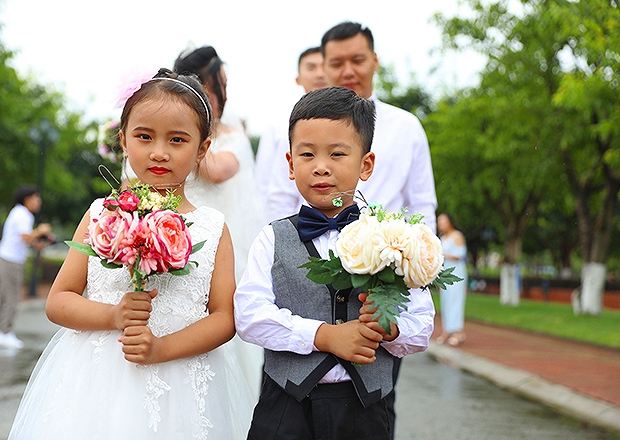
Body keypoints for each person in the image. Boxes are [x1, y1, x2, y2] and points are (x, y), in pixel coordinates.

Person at [7, 69, 254, 439]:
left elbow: (223, 317)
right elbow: (59, 301)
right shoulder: (100, 214)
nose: (159, 151)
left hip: (183, 383)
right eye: (144, 136)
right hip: (96, 382)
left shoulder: (213, 227)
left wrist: (161, 349)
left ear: (203, 148)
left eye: (177, 140)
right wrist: (114, 314)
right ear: (123, 141)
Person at [234, 86, 435, 439]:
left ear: (366, 164)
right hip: (285, 405)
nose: (321, 167)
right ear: (290, 165)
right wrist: (323, 335)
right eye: (307, 154)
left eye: (338, 154)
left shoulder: (395, 239)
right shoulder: (272, 238)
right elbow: (249, 315)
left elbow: (422, 322)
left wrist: (391, 328)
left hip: (365, 409)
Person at [267, 22, 438, 230]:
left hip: (386, 255)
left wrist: (421, 255)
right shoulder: (301, 125)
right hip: (309, 248)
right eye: (337, 63)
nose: (348, 72)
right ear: (324, 66)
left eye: (357, 61)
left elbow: (421, 204)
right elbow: (280, 199)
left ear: (375, 61)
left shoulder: (406, 127)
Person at [174, 45, 265, 397]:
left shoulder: (233, 137)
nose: (217, 94)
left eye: (220, 86)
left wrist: (180, 136)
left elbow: (215, 171)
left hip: (217, 253)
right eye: (213, 85)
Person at [173, 45, 263, 281]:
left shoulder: (233, 137)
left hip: (222, 247)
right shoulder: (164, 140)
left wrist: (185, 136)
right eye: (219, 84)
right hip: (173, 240)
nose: (225, 94)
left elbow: (216, 171)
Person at [256, 46, 326, 217]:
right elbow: (265, 183)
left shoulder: (350, 123)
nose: (320, 74)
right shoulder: (279, 125)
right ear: (298, 79)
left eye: (325, 66)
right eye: (311, 67)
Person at [0, 185, 51, 350]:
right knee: (12, 297)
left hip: (5, 257)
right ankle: (5, 332)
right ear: (27, 199)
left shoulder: (18, 213)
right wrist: (41, 230)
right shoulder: (23, 214)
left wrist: (35, 242)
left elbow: (25, 238)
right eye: (36, 197)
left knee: (4, 296)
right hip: (11, 261)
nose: (39, 201)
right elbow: (25, 236)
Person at [436, 213, 468, 346]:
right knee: (445, 301)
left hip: (457, 273)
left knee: (455, 301)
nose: (440, 224)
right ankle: (447, 330)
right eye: (439, 222)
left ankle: (457, 331)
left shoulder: (457, 236)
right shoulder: (442, 237)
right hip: (445, 274)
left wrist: (443, 255)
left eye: (443, 221)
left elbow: (460, 254)